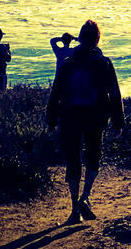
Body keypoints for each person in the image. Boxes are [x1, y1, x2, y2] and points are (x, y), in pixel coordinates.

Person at [47, 20, 125, 224]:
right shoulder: (104, 63)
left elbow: (56, 92)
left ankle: (74, 210)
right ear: (98, 39)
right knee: (93, 156)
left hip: (70, 115)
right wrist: (118, 122)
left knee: (73, 160)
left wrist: (51, 117)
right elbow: (115, 93)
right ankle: (86, 197)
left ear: (80, 38)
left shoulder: (68, 63)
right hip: (95, 116)